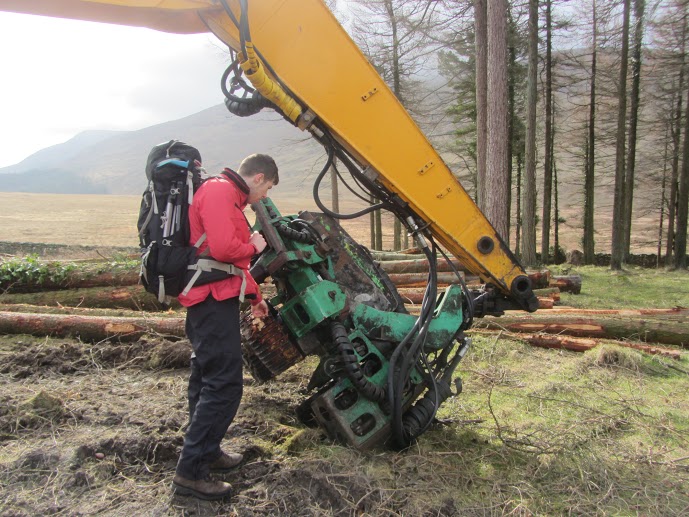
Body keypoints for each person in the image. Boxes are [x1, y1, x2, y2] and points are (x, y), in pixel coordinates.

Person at [172, 153, 278, 501]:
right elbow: (224, 249)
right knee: (225, 383)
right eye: (266, 191)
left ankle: (208, 450)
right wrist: (255, 246)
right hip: (209, 302)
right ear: (258, 177)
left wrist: (254, 296)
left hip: (214, 298)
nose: (263, 199)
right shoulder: (220, 192)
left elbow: (224, 263)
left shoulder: (228, 195)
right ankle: (190, 475)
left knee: (205, 376)